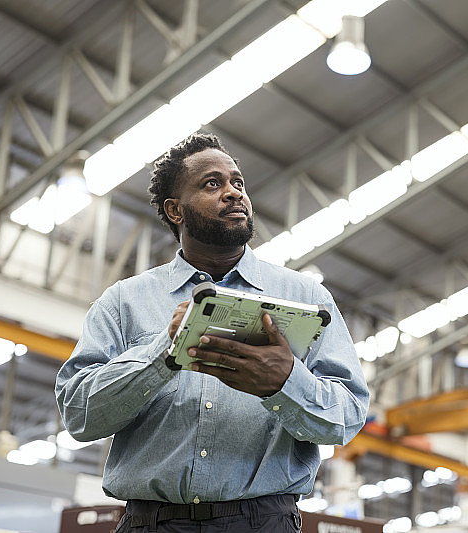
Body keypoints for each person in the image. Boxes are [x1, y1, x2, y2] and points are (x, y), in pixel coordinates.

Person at [55, 133, 370, 532]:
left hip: (264, 523)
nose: (234, 193)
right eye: (212, 184)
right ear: (175, 210)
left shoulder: (306, 298)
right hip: (151, 524)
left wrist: (286, 383)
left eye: (238, 183)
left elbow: (346, 417)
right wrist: (163, 354)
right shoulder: (123, 302)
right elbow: (79, 416)